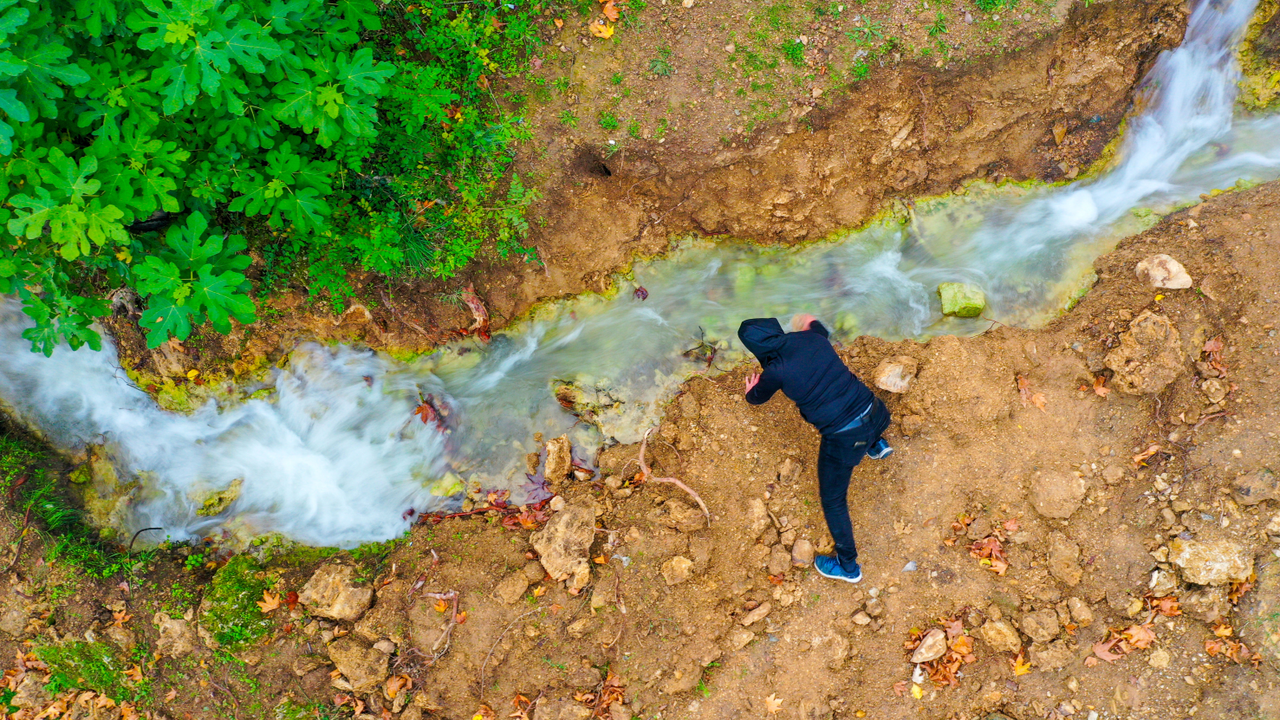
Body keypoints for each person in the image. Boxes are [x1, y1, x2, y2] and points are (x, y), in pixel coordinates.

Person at [738, 314, 892, 584]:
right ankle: (877, 445)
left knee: (833, 501)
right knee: (854, 405)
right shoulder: (811, 338)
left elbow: (756, 398)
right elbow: (820, 330)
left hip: (845, 438)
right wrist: (809, 323)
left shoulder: (776, 369)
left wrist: (751, 390)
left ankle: (848, 567)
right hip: (877, 412)